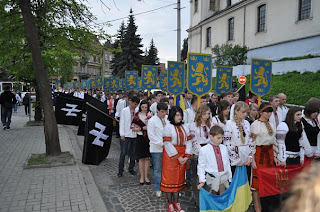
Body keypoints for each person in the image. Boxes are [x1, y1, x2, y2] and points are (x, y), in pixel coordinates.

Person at [250, 103, 281, 212]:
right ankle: (257, 207)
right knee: (257, 183)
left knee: (267, 182)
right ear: (261, 112)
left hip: (269, 155)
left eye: (270, 112)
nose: (269, 114)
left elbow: (274, 141)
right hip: (259, 155)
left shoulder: (272, 123)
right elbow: (252, 143)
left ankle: (266, 206)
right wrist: (252, 159)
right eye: (267, 111)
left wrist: (275, 156)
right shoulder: (255, 125)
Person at [162, 106, 192, 212]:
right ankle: (170, 203)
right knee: (170, 179)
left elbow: (188, 141)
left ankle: (176, 202)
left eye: (180, 115)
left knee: (179, 178)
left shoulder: (185, 126)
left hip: (182, 154)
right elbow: (167, 143)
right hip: (170, 156)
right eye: (177, 115)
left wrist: (186, 155)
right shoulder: (168, 127)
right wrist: (178, 157)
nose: (179, 117)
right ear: (172, 116)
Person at [197, 126, 232, 194]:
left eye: (222, 138)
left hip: (224, 178)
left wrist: (230, 178)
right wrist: (202, 180)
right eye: (218, 138)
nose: (221, 140)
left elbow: (227, 164)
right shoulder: (204, 150)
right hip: (212, 179)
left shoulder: (224, 148)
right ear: (211, 137)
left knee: (223, 199)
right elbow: (201, 166)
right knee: (212, 199)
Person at [189, 105, 212, 206]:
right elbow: (194, 140)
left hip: (209, 153)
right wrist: (202, 152)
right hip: (198, 153)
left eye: (208, 114)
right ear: (200, 114)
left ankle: (206, 198)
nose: (206, 116)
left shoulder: (210, 125)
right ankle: (197, 199)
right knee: (197, 177)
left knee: (208, 176)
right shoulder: (193, 125)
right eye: (205, 113)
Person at [223, 101, 253, 177]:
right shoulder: (230, 123)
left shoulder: (246, 123)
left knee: (246, 177)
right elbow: (227, 143)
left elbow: (250, 140)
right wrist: (236, 159)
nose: (245, 114)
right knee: (235, 178)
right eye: (243, 112)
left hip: (246, 154)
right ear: (236, 111)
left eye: (246, 112)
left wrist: (249, 156)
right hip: (235, 154)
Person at [147, 102, 168, 197]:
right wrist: (162, 143)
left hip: (167, 148)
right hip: (157, 149)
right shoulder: (152, 121)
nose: (164, 114)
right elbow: (151, 136)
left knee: (166, 168)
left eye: (165, 112)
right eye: (162, 112)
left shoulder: (167, 119)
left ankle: (166, 186)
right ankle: (158, 188)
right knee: (157, 169)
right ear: (158, 111)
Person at [118, 95, 140, 177]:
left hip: (134, 135)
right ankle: (120, 170)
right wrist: (122, 134)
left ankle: (131, 168)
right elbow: (122, 122)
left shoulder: (137, 111)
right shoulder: (124, 110)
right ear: (131, 102)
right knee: (123, 153)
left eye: (137, 104)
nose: (135, 106)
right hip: (126, 134)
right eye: (134, 104)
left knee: (133, 153)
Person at [131, 100, 152, 185]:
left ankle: (146, 176)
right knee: (141, 158)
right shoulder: (137, 116)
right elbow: (132, 127)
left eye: (146, 107)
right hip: (140, 137)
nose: (144, 109)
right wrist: (141, 129)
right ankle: (141, 176)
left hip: (148, 138)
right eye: (143, 107)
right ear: (140, 107)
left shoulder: (150, 115)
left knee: (147, 158)